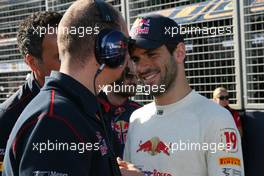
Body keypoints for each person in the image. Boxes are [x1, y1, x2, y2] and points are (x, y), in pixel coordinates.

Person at [2, 0, 142, 176]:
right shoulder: (56, 120)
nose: (129, 55)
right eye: (125, 45)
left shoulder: (76, 109)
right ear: (107, 49)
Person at [123, 14, 245, 176]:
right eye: (136, 59)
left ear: (179, 52)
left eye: (152, 54)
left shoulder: (216, 119)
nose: (141, 67)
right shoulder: (136, 118)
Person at [0, 11, 62, 173]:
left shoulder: (93, 100)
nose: (71, 61)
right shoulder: (7, 118)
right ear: (32, 62)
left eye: (72, 51)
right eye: (60, 56)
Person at [99, 64, 141, 158]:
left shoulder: (139, 113)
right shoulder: (93, 108)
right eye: (129, 76)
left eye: (137, 77)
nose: (135, 81)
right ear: (112, 76)